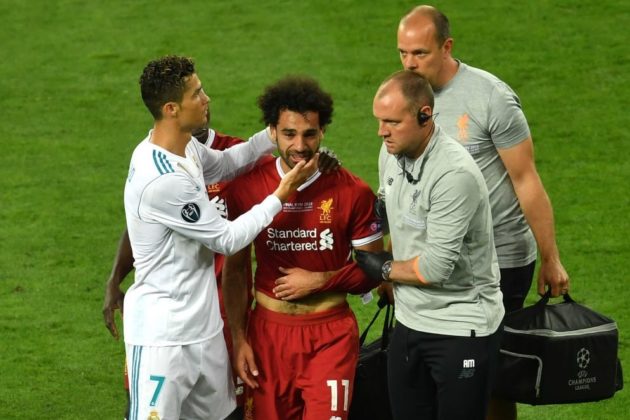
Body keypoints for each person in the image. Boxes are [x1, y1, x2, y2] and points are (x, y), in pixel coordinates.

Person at [103, 111, 340, 420]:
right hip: (164, 328)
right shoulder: (159, 161)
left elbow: (289, 168)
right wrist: (115, 279)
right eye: (196, 94)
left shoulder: (238, 159)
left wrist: (319, 160)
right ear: (174, 108)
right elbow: (140, 223)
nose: (205, 101)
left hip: (223, 318)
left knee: (227, 412)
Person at [395, 8, 570, 417]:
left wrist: (551, 258)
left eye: (419, 53)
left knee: (490, 378)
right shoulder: (403, 99)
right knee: (434, 370)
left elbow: (526, 180)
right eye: (402, 52)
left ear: (446, 47)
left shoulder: (490, 98)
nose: (409, 63)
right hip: (433, 257)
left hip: (498, 259)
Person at [222, 75, 384, 420]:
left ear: (322, 131)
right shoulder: (246, 189)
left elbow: (374, 270)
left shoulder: (352, 191)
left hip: (330, 336)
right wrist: (239, 338)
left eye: (310, 134)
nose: (300, 144)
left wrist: (320, 280)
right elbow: (234, 272)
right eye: (289, 134)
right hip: (267, 336)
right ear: (272, 132)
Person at [357, 70, 504, 419]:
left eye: (392, 122)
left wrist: (384, 268)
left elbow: (436, 268)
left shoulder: (454, 175)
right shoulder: (390, 153)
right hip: (410, 321)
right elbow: (393, 212)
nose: (381, 131)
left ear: (425, 115)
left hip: (461, 327)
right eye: (379, 121)